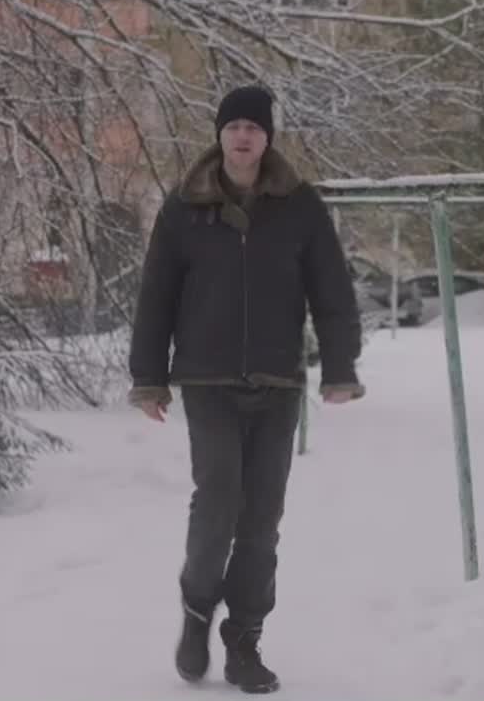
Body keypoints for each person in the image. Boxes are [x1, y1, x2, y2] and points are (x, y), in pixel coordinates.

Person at [126, 84, 366, 694]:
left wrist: (341, 366)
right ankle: (197, 609)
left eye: (253, 128)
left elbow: (331, 290)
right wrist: (149, 378)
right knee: (216, 505)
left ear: (267, 138)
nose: (242, 136)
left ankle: (244, 641)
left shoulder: (299, 205)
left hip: (277, 383)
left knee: (261, 520)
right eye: (233, 126)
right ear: (220, 134)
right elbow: (157, 297)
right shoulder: (185, 206)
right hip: (207, 382)